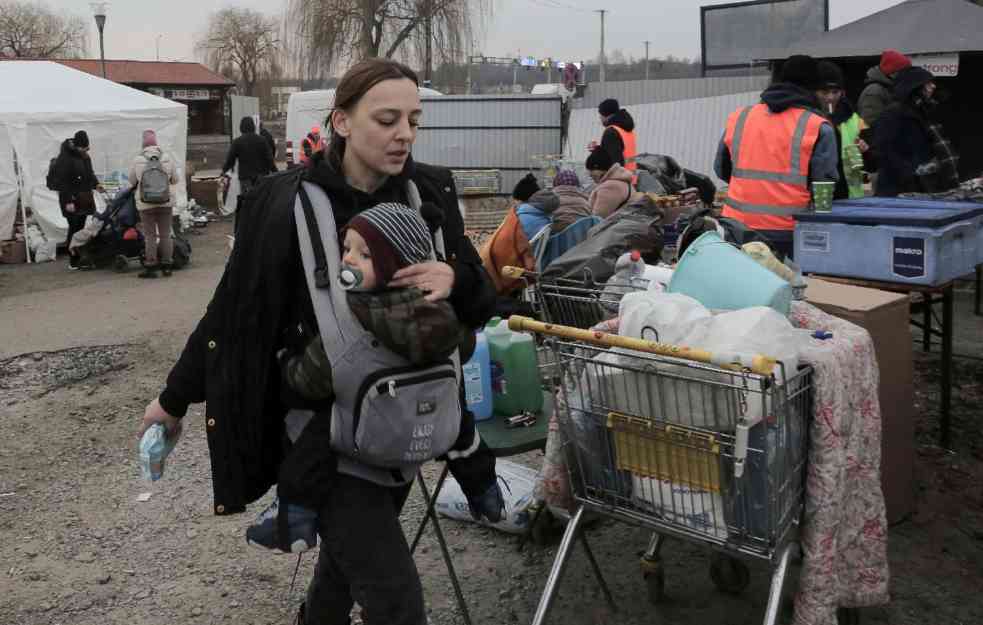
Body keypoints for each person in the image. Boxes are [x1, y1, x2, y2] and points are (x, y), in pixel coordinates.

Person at [138, 58, 499, 625]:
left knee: (343, 566)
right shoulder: (284, 202)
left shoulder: (428, 191)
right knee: (394, 597)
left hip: (399, 424)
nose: (404, 133)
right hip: (320, 439)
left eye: (413, 120)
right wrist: (173, 399)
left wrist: (455, 279)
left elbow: (482, 299)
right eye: (386, 119)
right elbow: (232, 312)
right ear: (342, 121)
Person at [245, 200, 500, 553]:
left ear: (395, 267)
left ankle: (296, 515)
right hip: (430, 427)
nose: (348, 259)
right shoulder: (442, 310)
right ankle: (483, 489)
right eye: (346, 248)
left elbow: (311, 379)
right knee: (460, 419)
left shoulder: (352, 316)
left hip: (368, 438)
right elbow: (466, 349)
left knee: (318, 435)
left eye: (364, 255)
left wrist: (287, 360)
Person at [714, 55, 838, 259]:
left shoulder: (740, 117)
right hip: (789, 231)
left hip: (736, 226)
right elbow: (823, 186)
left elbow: (721, 169)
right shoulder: (817, 126)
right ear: (814, 88)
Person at [874, 67, 959, 197]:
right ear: (916, 86)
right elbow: (883, 149)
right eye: (928, 83)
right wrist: (911, 171)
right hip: (899, 188)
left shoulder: (924, 111)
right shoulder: (894, 113)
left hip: (923, 185)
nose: (933, 86)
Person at [128, 130, 179, 278]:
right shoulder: (167, 158)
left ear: (143, 143)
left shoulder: (137, 159)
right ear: (156, 143)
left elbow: (132, 181)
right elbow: (175, 179)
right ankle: (167, 266)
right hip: (165, 202)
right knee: (165, 234)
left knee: (150, 235)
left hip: (145, 204)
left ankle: (151, 267)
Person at [816, 61, 870, 200]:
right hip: (822, 196)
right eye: (825, 92)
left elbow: (873, 162)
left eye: (835, 92)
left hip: (852, 198)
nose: (830, 98)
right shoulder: (808, 118)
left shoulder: (854, 119)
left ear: (843, 92)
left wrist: (866, 150)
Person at [52, 130, 102, 269]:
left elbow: (89, 173)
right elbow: (63, 182)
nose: (85, 150)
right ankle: (73, 260)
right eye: (83, 148)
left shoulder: (84, 156)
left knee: (80, 227)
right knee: (74, 227)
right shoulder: (65, 158)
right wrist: (68, 201)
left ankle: (79, 256)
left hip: (84, 197)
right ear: (77, 145)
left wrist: (97, 184)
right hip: (71, 199)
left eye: (87, 148)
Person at [221, 115, 276, 201]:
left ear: (241, 128)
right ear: (253, 127)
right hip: (261, 177)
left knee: (247, 201)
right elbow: (269, 159)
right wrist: (276, 172)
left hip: (245, 178)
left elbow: (230, 160)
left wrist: (223, 171)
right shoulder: (262, 140)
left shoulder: (237, 142)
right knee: (261, 200)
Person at [858, 49, 911, 130]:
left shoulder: (888, 88)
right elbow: (870, 124)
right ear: (893, 73)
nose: (907, 75)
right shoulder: (874, 91)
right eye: (904, 71)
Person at [589, 98, 637, 178]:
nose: (600, 118)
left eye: (600, 114)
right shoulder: (626, 130)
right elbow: (620, 153)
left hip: (618, 180)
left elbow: (614, 161)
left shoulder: (611, 132)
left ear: (606, 115)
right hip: (630, 178)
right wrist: (597, 149)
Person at [585, 148, 634, 219]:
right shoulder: (621, 181)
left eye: (592, 170)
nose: (590, 174)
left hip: (612, 228)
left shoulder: (610, 187)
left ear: (602, 168)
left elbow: (596, 219)